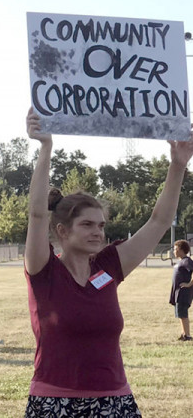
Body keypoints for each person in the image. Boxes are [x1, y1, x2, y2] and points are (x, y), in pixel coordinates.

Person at [23, 107, 193, 417]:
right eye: (87, 225)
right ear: (62, 231)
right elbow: (36, 215)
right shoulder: (43, 271)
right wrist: (45, 148)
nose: (98, 232)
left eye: (101, 225)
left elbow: (158, 222)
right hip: (55, 402)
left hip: (115, 401)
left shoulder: (109, 266)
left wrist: (178, 166)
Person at [170, 239, 193, 341]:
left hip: (183, 292)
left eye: (175, 249)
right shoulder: (181, 261)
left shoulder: (187, 261)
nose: (174, 251)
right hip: (177, 293)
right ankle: (183, 333)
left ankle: (188, 335)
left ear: (181, 250)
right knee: (180, 313)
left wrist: (189, 284)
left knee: (183, 314)